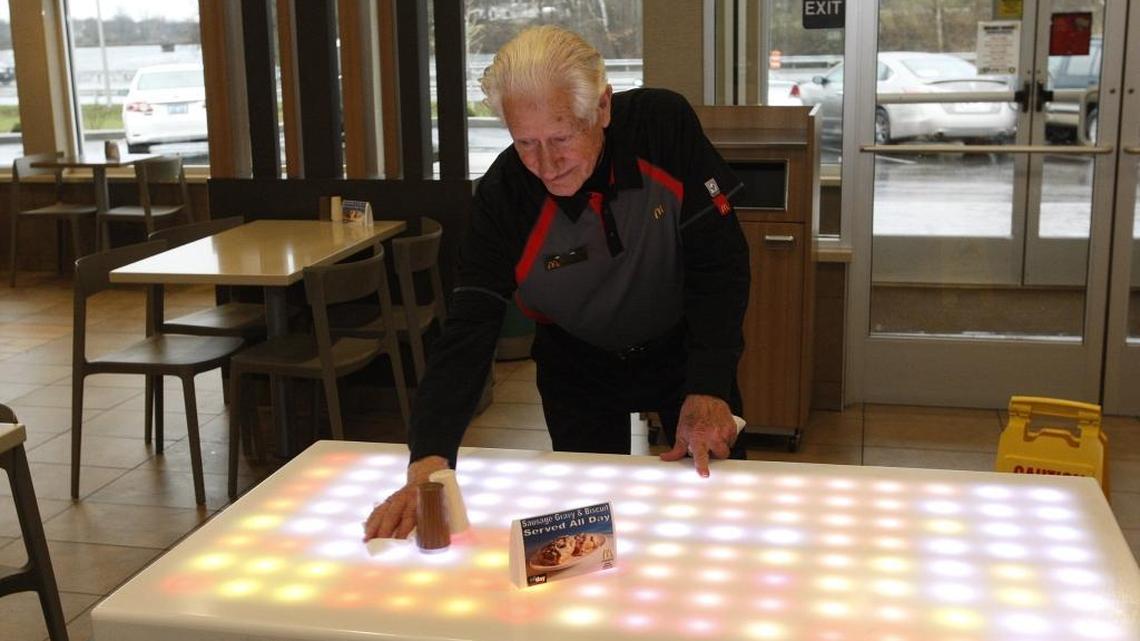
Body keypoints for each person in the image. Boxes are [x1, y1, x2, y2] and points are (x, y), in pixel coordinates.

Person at [363, 25, 750, 541]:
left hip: (682, 347)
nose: (545, 164)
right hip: (577, 363)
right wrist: (427, 463)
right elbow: (467, 330)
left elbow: (720, 263)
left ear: (603, 108)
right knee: (591, 529)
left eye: (562, 138)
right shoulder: (504, 198)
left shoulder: (663, 127)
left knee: (717, 510)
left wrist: (709, 383)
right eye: (526, 143)